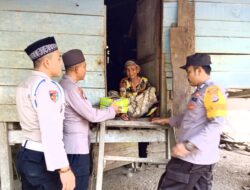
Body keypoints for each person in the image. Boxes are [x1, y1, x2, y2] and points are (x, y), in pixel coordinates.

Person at [152, 53, 227, 190]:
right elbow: (190, 118)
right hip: (200, 160)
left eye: (189, 71)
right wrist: (169, 120)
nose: (187, 76)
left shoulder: (212, 91)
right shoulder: (201, 91)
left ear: (199, 70)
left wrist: (188, 146)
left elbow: (217, 124)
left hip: (192, 159)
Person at [16, 37, 75, 190]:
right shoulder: (48, 88)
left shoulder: (25, 84)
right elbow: (50, 130)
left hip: (26, 154)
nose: (61, 62)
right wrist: (64, 168)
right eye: (58, 58)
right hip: (42, 159)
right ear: (47, 63)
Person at [59, 49, 119, 190]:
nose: (86, 70)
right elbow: (91, 115)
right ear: (76, 68)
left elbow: (83, 110)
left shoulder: (66, 85)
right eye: (84, 66)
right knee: (78, 185)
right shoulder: (71, 89)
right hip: (76, 149)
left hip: (74, 146)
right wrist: (112, 110)